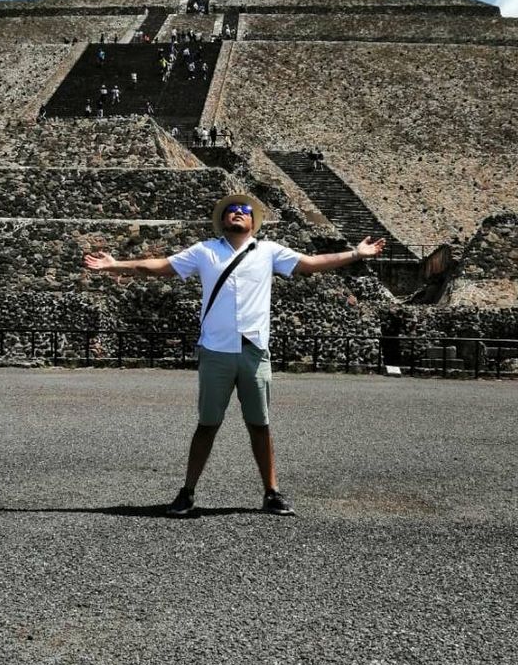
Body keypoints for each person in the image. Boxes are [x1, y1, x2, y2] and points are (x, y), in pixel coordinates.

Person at [84, 193, 385, 517]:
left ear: (253, 222)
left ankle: (271, 492)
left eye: (244, 211)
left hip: (254, 351)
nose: (238, 213)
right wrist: (117, 265)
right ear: (223, 220)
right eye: (231, 211)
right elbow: (161, 266)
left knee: (260, 424)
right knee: (207, 424)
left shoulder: (268, 251)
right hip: (216, 352)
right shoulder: (206, 251)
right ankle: (187, 492)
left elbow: (310, 263)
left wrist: (356, 253)